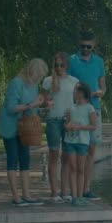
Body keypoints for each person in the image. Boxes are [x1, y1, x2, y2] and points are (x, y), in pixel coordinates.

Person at [0, 58, 48, 207]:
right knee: (13, 159)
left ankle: (27, 194)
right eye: (38, 75)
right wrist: (32, 104)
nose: (38, 79)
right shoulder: (16, 83)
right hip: (11, 127)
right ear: (31, 71)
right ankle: (16, 197)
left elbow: (32, 108)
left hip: (25, 128)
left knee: (25, 160)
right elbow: (11, 108)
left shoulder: (32, 85)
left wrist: (43, 107)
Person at [69, 30, 106, 201]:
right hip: (77, 110)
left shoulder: (99, 62)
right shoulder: (71, 60)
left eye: (88, 47)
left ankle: (86, 188)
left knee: (91, 150)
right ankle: (73, 190)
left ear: (94, 45)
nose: (85, 49)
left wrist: (98, 93)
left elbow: (103, 87)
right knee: (74, 150)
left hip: (94, 108)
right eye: (82, 46)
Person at [42, 52, 79, 203]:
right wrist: (46, 103)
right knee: (54, 154)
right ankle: (54, 193)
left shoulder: (74, 81)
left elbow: (77, 102)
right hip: (53, 121)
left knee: (67, 158)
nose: (59, 67)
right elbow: (43, 102)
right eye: (56, 65)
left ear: (67, 65)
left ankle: (65, 192)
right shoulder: (48, 81)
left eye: (61, 65)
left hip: (68, 122)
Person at [64, 82, 98, 207]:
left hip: (83, 142)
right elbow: (66, 125)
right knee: (73, 168)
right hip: (70, 141)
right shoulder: (71, 108)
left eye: (76, 90)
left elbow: (94, 126)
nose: (74, 92)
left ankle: (80, 196)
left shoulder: (90, 108)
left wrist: (80, 127)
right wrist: (68, 127)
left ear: (82, 92)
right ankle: (74, 197)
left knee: (80, 169)